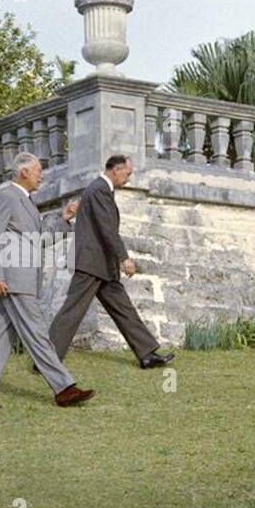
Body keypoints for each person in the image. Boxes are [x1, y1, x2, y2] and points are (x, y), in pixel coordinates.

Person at [0, 152, 94, 411]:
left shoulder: (27, 202)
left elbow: (39, 238)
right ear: (24, 172)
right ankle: (64, 388)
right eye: (38, 170)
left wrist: (64, 217)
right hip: (13, 279)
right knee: (38, 333)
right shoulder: (7, 197)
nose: (41, 175)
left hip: (20, 280)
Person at [48, 155, 174, 368]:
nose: (129, 178)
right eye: (127, 173)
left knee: (123, 308)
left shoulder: (99, 190)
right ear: (115, 170)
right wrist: (124, 257)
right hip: (91, 263)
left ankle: (147, 354)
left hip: (101, 264)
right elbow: (107, 228)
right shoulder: (99, 189)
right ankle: (46, 359)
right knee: (72, 311)